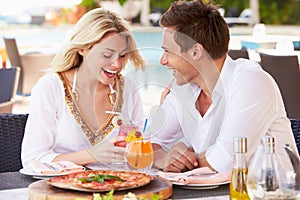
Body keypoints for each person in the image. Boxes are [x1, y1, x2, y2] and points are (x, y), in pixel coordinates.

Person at [149, 0, 298, 173]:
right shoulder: (183, 87)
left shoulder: (251, 82)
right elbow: (147, 143)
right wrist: (163, 158)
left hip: (273, 193)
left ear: (196, 52)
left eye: (168, 51)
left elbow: (226, 161)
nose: (163, 60)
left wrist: (183, 160)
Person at [21, 8, 145, 169]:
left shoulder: (128, 88)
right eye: (107, 55)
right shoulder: (51, 88)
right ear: (82, 49)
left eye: (123, 55)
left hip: (120, 187)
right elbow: (32, 160)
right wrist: (91, 155)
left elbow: (139, 149)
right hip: (63, 190)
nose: (117, 64)